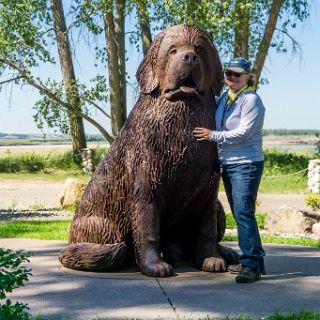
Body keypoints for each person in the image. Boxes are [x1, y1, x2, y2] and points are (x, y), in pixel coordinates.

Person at [193, 57, 266, 283]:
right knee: (241, 214)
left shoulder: (251, 100)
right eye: (228, 73)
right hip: (227, 163)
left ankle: (250, 266)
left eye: (237, 74)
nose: (232, 77)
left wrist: (212, 135)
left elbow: (243, 132)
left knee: (244, 214)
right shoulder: (224, 99)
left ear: (248, 77)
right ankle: (257, 261)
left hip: (246, 164)